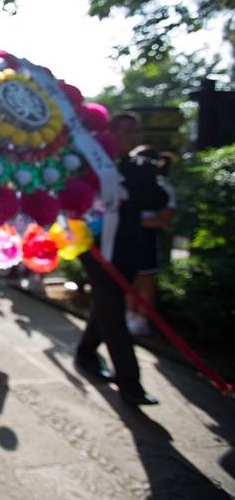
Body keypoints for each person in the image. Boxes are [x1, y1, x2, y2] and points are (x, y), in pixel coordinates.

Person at [75, 112, 168, 406]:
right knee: (113, 311)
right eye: (126, 131)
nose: (133, 137)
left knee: (107, 304)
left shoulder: (139, 167)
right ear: (110, 134)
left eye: (136, 131)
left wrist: (147, 173)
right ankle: (130, 383)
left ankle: (86, 352)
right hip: (97, 251)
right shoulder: (89, 165)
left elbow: (157, 201)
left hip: (128, 249)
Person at [126, 146, 177, 335]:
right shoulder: (126, 183)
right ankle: (129, 314)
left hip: (147, 238)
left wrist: (132, 219)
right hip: (127, 236)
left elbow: (165, 219)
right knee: (128, 278)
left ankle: (141, 318)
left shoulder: (162, 185)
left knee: (145, 278)